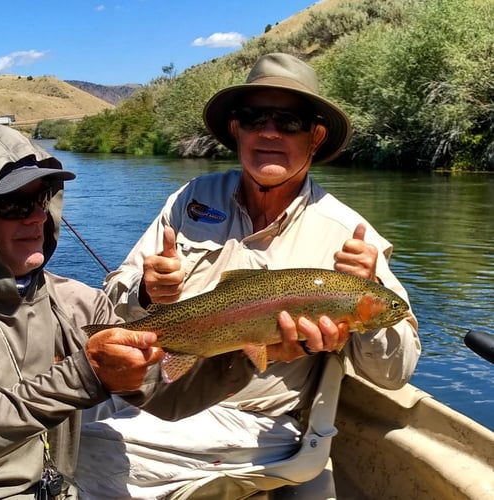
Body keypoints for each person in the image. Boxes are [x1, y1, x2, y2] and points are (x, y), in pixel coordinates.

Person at [77, 53, 421, 498]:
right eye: (254, 117)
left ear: (315, 136)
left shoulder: (350, 237)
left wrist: (368, 294)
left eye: (289, 120)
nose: (270, 132)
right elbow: (115, 296)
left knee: (87, 451)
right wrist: (145, 290)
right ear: (237, 129)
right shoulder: (191, 199)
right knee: (40, 421)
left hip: (251, 420)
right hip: (151, 387)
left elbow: (396, 373)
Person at [0, 124, 264, 499]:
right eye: (12, 205)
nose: (36, 218)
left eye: (40, 200)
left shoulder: (78, 304)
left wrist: (252, 343)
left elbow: (170, 396)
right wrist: (85, 376)